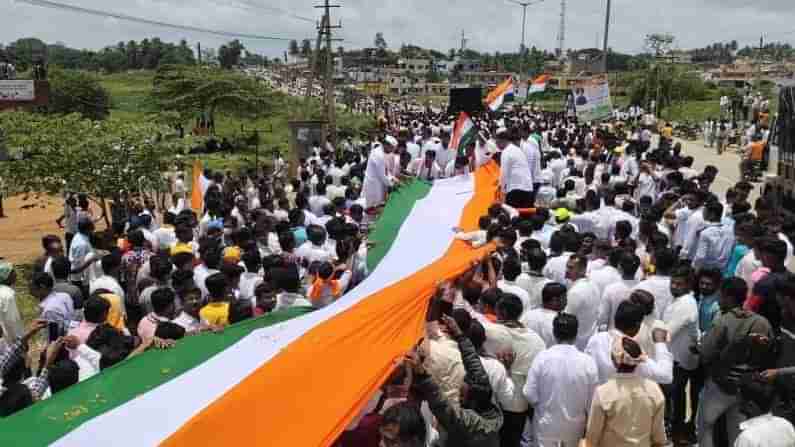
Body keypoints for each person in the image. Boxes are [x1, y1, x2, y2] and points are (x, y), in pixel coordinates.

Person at [698, 277, 775, 447]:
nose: (719, 300)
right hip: (747, 389)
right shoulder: (762, 322)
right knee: (737, 431)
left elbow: (705, 353)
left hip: (720, 386)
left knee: (705, 427)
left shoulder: (722, 321)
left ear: (728, 297)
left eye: (721, 296)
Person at [408, 314, 503, 447]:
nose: (459, 393)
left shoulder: (471, 422)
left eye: (462, 395)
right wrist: (460, 335)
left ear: (471, 401)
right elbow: (474, 364)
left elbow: (442, 405)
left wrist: (422, 374)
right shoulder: (487, 405)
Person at [524, 313, 599, 447]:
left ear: (554, 333)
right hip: (575, 429)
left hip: (545, 426)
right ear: (576, 334)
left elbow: (529, 393)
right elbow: (592, 402)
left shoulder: (542, 358)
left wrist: (542, 407)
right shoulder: (588, 362)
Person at [583, 336, 668, 447]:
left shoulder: (603, 392)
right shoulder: (654, 390)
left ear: (613, 360)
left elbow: (592, 438)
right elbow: (659, 438)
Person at [586, 300, 673, 385]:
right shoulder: (631, 351)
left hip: (598, 396)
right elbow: (666, 376)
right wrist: (660, 343)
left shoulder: (595, 339)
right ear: (637, 325)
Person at [662, 265, 700, 442]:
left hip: (680, 360)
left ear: (688, 285)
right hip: (674, 356)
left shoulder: (686, 304)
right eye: (673, 282)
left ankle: (676, 432)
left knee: (675, 397)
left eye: (679, 284)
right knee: (674, 396)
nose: (674, 286)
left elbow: (667, 332)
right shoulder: (677, 299)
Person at [563, 254, 601, 350]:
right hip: (589, 339)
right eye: (567, 266)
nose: (567, 270)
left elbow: (565, 319)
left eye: (571, 268)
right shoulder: (593, 285)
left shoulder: (576, 292)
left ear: (582, 270)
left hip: (576, 343)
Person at [521, 282, 566, 348]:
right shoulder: (558, 322)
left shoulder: (527, 315)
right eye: (564, 297)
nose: (566, 301)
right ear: (555, 300)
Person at [498, 128, 534, 209]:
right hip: (528, 188)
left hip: (515, 190)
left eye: (497, 143)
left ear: (502, 141)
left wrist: (502, 192)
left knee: (514, 218)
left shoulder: (506, 151)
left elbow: (504, 173)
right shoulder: (518, 150)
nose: (497, 146)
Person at [362, 142, 395, 210]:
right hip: (373, 185)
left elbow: (386, 170)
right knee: (371, 208)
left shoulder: (380, 152)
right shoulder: (379, 155)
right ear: (386, 145)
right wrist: (392, 184)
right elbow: (382, 175)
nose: (391, 151)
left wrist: (392, 178)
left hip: (377, 183)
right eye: (391, 148)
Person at [0, 261, 23, 346]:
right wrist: (21, 341)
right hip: (11, 343)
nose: (15, 274)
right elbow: (13, 321)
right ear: (6, 276)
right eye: (12, 272)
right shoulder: (8, 295)